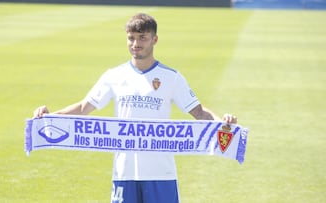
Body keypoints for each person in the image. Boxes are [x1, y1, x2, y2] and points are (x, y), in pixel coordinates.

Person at [33, 13, 237, 203]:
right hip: (125, 172)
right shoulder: (114, 75)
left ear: (154, 40)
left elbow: (199, 112)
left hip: (161, 173)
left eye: (142, 37)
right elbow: (84, 107)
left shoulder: (171, 77)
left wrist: (223, 123)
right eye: (131, 38)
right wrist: (51, 116)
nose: (135, 44)